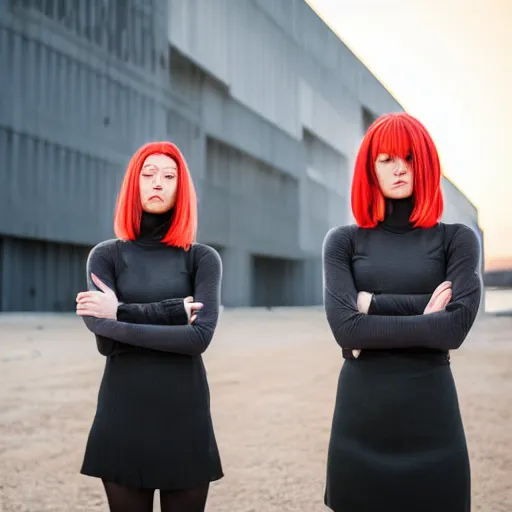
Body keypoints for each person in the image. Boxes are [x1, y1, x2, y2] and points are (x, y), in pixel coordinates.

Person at [322, 112, 481, 512]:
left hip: (432, 417)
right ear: (369, 168)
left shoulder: (457, 240)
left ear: (425, 163)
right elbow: (346, 330)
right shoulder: (343, 241)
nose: (399, 169)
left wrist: (369, 304)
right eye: (386, 159)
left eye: (409, 157)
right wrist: (425, 313)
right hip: (361, 419)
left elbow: (453, 330)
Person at [75, 141, 223, 512]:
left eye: (169, 176)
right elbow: (104, 340)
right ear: (133, 184)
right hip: (124, 414)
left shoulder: (202, 258)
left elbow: (198, 338)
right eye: (149, 174)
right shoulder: (106, 255)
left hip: (184, 416)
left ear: (181, 187)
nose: (158, 182)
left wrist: (119, 313)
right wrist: (174, 312)